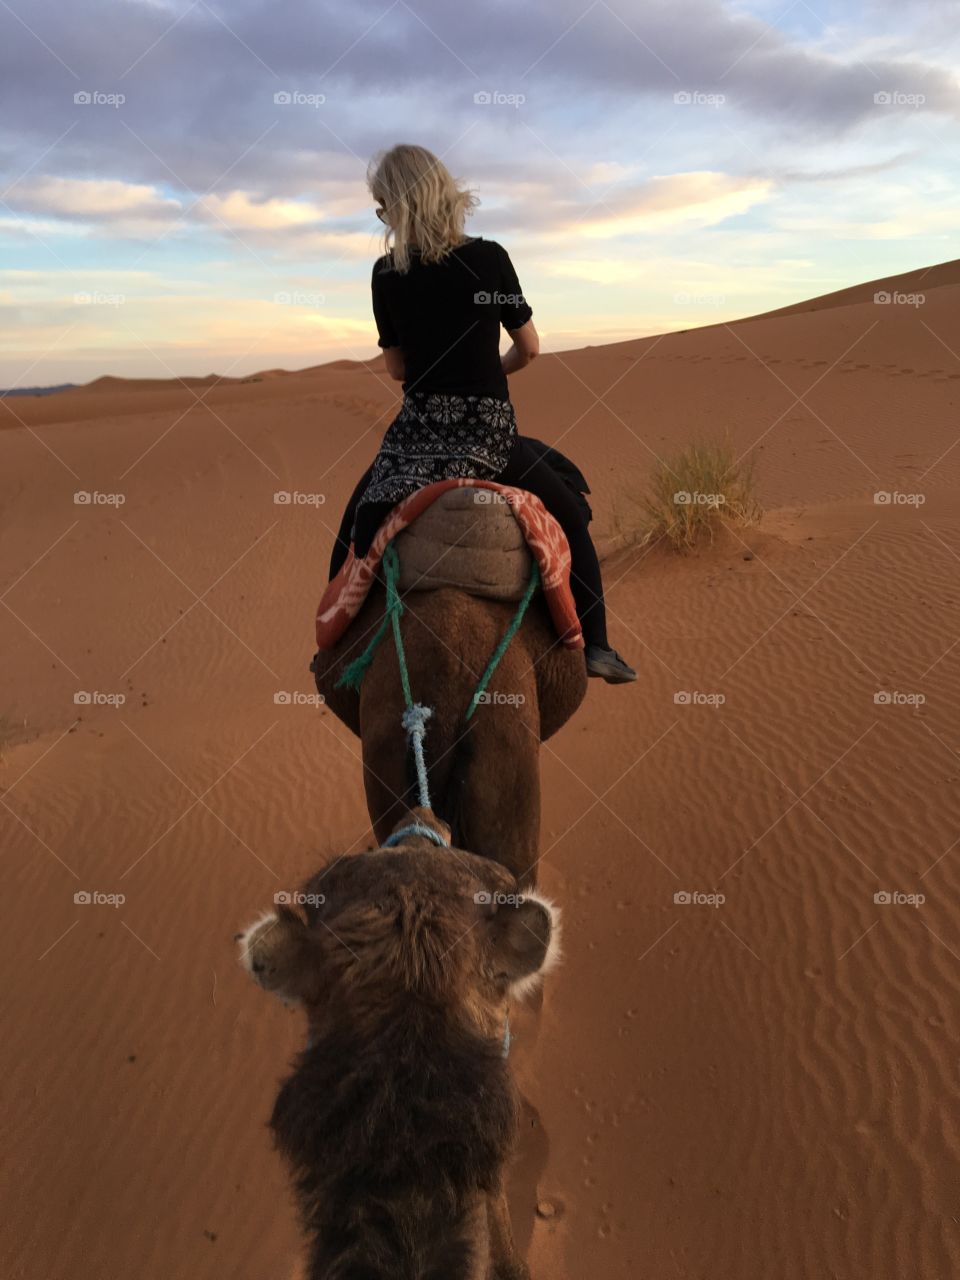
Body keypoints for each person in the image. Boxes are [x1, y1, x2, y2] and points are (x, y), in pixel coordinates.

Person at [329, 143, 636, 684]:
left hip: (414, 441)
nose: (382, 217)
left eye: (382, 206)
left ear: (400, 205)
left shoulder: (386, 274)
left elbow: (397, 369)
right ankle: (598, 647)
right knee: (571, 518)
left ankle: (333, 650)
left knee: (352, 530)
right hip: (489, 437)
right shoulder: (490, 257)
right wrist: (490, 373)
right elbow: (530, 348)